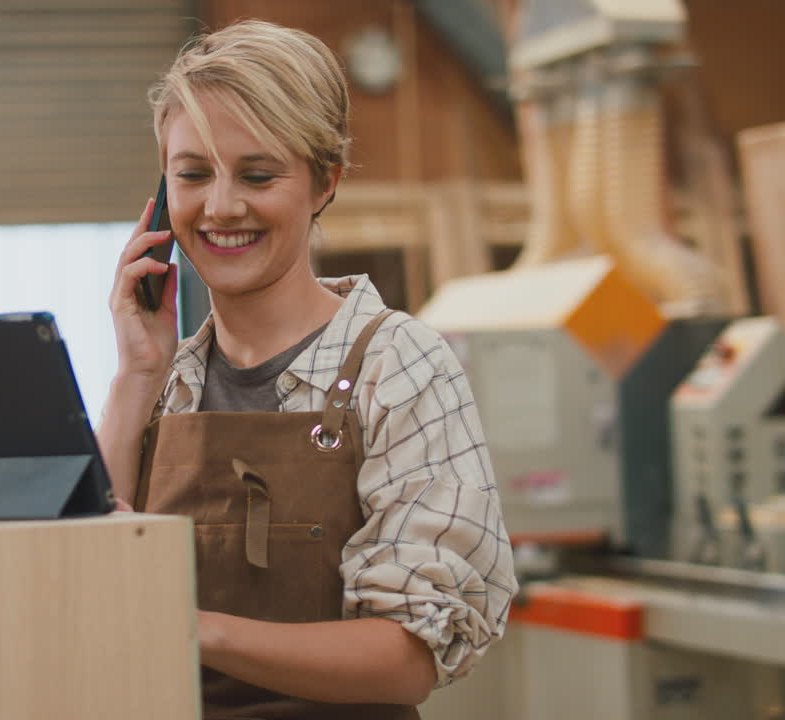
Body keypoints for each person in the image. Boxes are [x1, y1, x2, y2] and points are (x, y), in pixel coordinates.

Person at [96, 20, 516, 719]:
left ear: (325, 182)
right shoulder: (165, 383)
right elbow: (86, 576)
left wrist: (196, 630)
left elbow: (407, 659)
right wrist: (135, 376)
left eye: (258, 175)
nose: (221, 206)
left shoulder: (398, 365)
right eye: (192, 175)